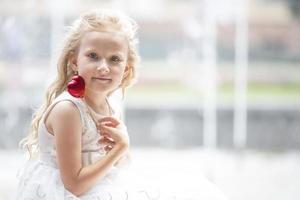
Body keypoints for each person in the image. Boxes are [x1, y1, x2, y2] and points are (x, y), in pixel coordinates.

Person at [15, 9, 228, 200]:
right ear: (74, 61)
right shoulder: (68, 110)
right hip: (65, 191)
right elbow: (74, 185)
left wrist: (121, 148)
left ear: (126, 69)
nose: (103, 67)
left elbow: (121, 164)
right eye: (93, 56)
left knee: (191, 188)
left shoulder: (109, 103)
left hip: (95, 182)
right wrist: (120, 148)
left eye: (114, 59)